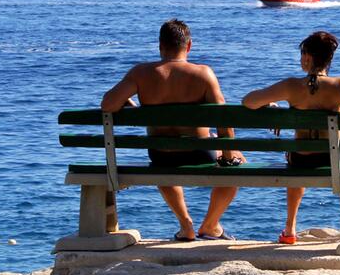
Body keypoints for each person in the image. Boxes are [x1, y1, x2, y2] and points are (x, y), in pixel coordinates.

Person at [101, 19, 245, 241]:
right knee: (238, 160)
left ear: (160, 46)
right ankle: (210, 224)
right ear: (189, 46)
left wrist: (130, 104)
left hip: (160, 154)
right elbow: (222, 119)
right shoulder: (203, 73)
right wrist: (229, 154)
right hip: (199, 154)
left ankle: (185, 224)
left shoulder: (141, 73)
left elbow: (108, 104)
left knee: (165, 158)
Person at [241, 30, 340, 244]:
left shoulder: (291, 86)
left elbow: (248, 101)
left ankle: (290, 229)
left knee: (295, 162)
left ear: (307, 57)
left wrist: (270, 106)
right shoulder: (339, 85)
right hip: (336, 161)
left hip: (302, 159)